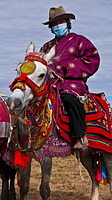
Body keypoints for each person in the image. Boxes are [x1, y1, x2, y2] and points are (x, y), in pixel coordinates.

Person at [40, 6, 100, 150]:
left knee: (68, 99)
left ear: (67, 23)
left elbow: (92, 60)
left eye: (60, 23)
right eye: (54, 25)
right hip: (49, 83)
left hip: (72, 82)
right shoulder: (47, 47)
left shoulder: (80, 41)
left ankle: (79, 136)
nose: (57, 27)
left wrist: (64, 68)